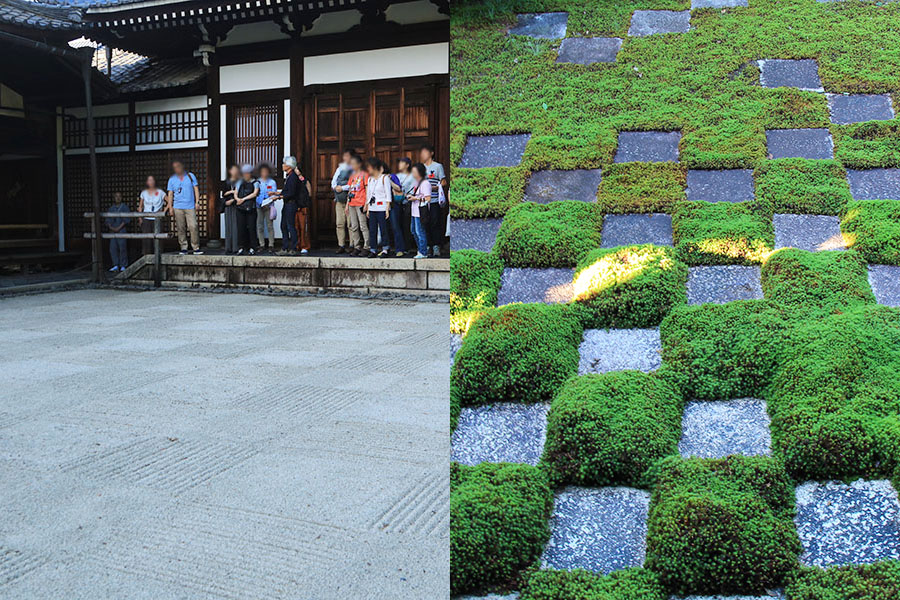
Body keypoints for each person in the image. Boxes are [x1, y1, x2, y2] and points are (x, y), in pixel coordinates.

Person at [166, 160, 202, 255]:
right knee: (180, 227)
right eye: (175, 167)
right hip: (178, 206)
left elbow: (196, 189)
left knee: (193, 226)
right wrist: (170, 207)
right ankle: (183, 247)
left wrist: (197, 202)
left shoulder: (190, 176)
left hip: (190, 206)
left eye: (178, 166)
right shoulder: (172, 179)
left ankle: (195, 247)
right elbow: (170, 193)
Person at [419, 144, 447, 257]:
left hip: (435, 199)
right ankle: (428, 246)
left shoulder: (437, 166)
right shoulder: (421, 167)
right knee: (425, 223)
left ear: (431, 153)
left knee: (435, 223)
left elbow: (443, 181)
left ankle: (436, 246)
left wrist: (437, 187)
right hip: (424, 200)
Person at [364, 157, 393, 258]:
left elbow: (388, 194)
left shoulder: (384, 178)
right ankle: (373, 249)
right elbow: (369, 194)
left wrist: (387, 208)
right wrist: (367, 207)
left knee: (383, 228)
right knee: (372, 229)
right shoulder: (370, 179)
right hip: (372, 207)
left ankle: (385, 248)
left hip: (382, 207)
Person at [331, 148, 354, 254]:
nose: (345, 158)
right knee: (339, 223)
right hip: (339, 199)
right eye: (344, 156)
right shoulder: (340, 168)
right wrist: (336, 187)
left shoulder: (354, 168)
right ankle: (341, 244)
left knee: (351, 223)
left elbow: (354, 184)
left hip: (350, 200)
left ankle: (352, 244)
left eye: (347, 156)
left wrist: (343, 188)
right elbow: (333, 181)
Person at [345, 154, 369, 256]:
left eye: (354, 164)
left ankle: (367, 246)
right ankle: (356, 246)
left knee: (363, 225)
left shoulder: (364, 175)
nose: (352, 166)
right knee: (353, 226)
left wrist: (366, 203)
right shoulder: (352, 176)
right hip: (352, 203)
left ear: (359, 164)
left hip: (360, 202)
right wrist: (347, 204)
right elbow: (350, 190)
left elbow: (367, 189)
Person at [391, 157, 415, 256]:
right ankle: (400, 246)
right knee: (397, 224)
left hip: (408, 202)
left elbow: (414, 188)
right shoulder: (396, 176)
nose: (399, 164)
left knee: (407, 225)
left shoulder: (412, 176)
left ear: (407, 165)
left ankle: (407, 247)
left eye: (402, 163)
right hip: (397, 203)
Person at [137, 175, 166, 256]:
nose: (151, 182)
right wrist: (140, 218)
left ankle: (158, 255)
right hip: (146, 218)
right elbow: (140, 206)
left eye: (152, 180)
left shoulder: (160, 192)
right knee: (146, 238)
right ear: (147, 182)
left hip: (157, 218)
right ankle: (146, 256)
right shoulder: (143, 193)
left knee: (158, 239)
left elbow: (169, 201)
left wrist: (164, 211)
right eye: (149, 180)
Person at [278, 156, 301, 255]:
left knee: (290, 226)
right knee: (283, 226)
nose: (282, 165)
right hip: (287, 204)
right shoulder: (288, 176)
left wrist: (279, 197)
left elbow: (291, 193)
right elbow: (286, 191)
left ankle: (294, 247)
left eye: (284, 163)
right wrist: (276, 193)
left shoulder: (293, 177)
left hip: (291, 204)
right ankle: (285, 247)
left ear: (289, 166)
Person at [408, 163, 431, 259]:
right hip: (414, 211)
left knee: (419, 231)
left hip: (420, 212)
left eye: (414, 171)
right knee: (413, 231)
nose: (412, 173)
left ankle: (423, 252)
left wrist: (415, 198)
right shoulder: (416, 183)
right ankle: (421, 248)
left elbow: (428, 198)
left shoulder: (425, 183)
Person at [234, 164, 258, 255]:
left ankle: (252, 247)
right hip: (240, 208)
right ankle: (241, 247)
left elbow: (255, 194)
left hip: (251, 208)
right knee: (241, 227)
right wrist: (237, 199)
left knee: (251, 227)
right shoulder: (239, 182)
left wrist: (243, 199)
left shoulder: (255, 182)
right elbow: (236, 192)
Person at [255, 164, 279, 253]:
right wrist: (259, 202)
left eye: (266, 171)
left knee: (270, 226)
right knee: (259, 226)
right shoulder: (257, 182)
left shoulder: (272, 182)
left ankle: (271, 244)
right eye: (262, 171)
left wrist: (269, 200)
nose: (264, 173)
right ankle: (261, 244)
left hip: (269, 206)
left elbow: (274, 194)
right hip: (259, 206)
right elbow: (255, 194)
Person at [292, 160, 313, 255]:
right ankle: (297, 244)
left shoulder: (305, 181)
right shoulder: (293, 180)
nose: (296, 170)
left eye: (297, 168)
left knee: (303, 227)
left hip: (303, 206)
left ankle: (305, 246)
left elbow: (309, 194)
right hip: (294, 206)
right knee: (295, 227)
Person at [106, 192, 130, 272]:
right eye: (116, 196)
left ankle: (123, 265)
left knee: (122, 248)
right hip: (112, 231)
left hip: (121, 230)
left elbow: (126, 220)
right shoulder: (111, 208)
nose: (118, 198)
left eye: (120, 196)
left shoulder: (125, 207)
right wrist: (112, 227)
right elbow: (108, 221)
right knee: (113, 248)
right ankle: (115, 265)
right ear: (114, 198)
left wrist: (118, 228)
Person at [221, 164, 241, 255]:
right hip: (227, 205)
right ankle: (228, 247)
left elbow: (241, 194)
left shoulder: (240, 181)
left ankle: (235, 247)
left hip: (236, 205)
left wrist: (233, 198)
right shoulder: (226, 182)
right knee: (228, 226)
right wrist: (232, 192)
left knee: (235, 226)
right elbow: (223, 194)